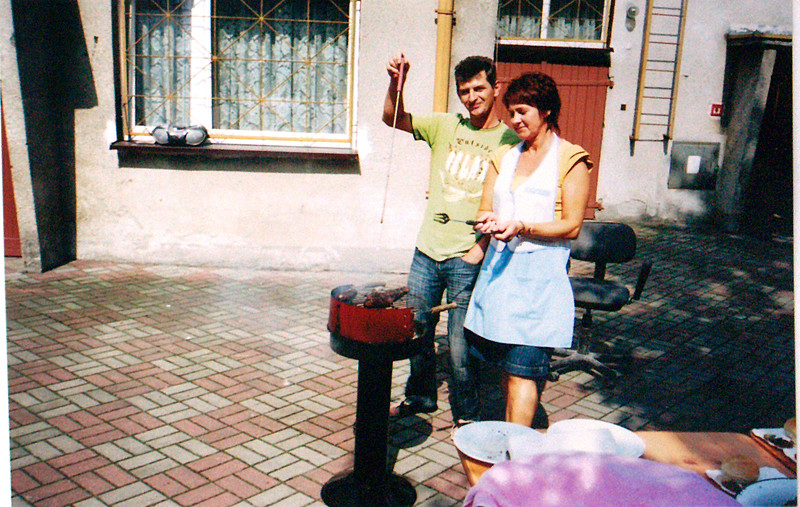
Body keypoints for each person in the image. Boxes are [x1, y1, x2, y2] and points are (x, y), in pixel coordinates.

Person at [382, 54, 519, 424]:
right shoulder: (445, 125)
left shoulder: (510, 141)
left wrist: (481, 247)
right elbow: (392, 118)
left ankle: (468, 414)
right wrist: (396, 83)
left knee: (460, 346)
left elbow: (510, 203)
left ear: (496, 88)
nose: (471, 97)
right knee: (418, 332)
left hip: (467, 256)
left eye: (479, 88)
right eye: (464, 91)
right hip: (426, 251)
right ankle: (421, 397)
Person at [464, 72, 592, 427]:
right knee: (507, 370)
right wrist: (488, 221)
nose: (515, 120)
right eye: (511, 113)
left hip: (539, 283)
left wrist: (522, 226)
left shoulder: (570, 159)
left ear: (546, 110)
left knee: (523, 370)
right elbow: (485, 208)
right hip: (499, 278)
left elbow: (572, 225)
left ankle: (517, 449)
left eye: (523, 111)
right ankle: (515, 438)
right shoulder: (503, 157)